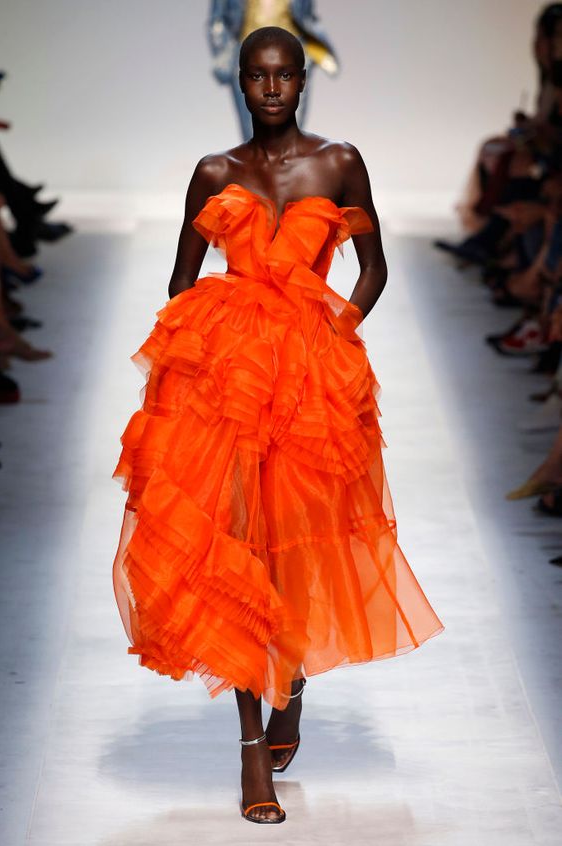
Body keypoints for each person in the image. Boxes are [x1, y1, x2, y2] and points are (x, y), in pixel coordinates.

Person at [112, 26, 444, 825]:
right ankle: (251, 753)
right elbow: (180, 278)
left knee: (297, 540)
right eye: (256, 76)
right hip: (230, 381)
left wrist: (339, 326)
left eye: (282, 76)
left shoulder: (338, 162)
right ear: (238, 80)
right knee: (235, 546)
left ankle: (288, 681)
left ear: (301, 80)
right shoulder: (214, 172)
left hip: (311, 382)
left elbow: (373, 267)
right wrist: (189, 363)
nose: (269, 89)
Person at [208, 0, 338, 139]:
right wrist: (225, 58)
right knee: (253, 137)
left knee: (291, 136)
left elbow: (307, 15)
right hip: (248, 58)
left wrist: (310, 54)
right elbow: (217, 19)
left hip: (293, 57)